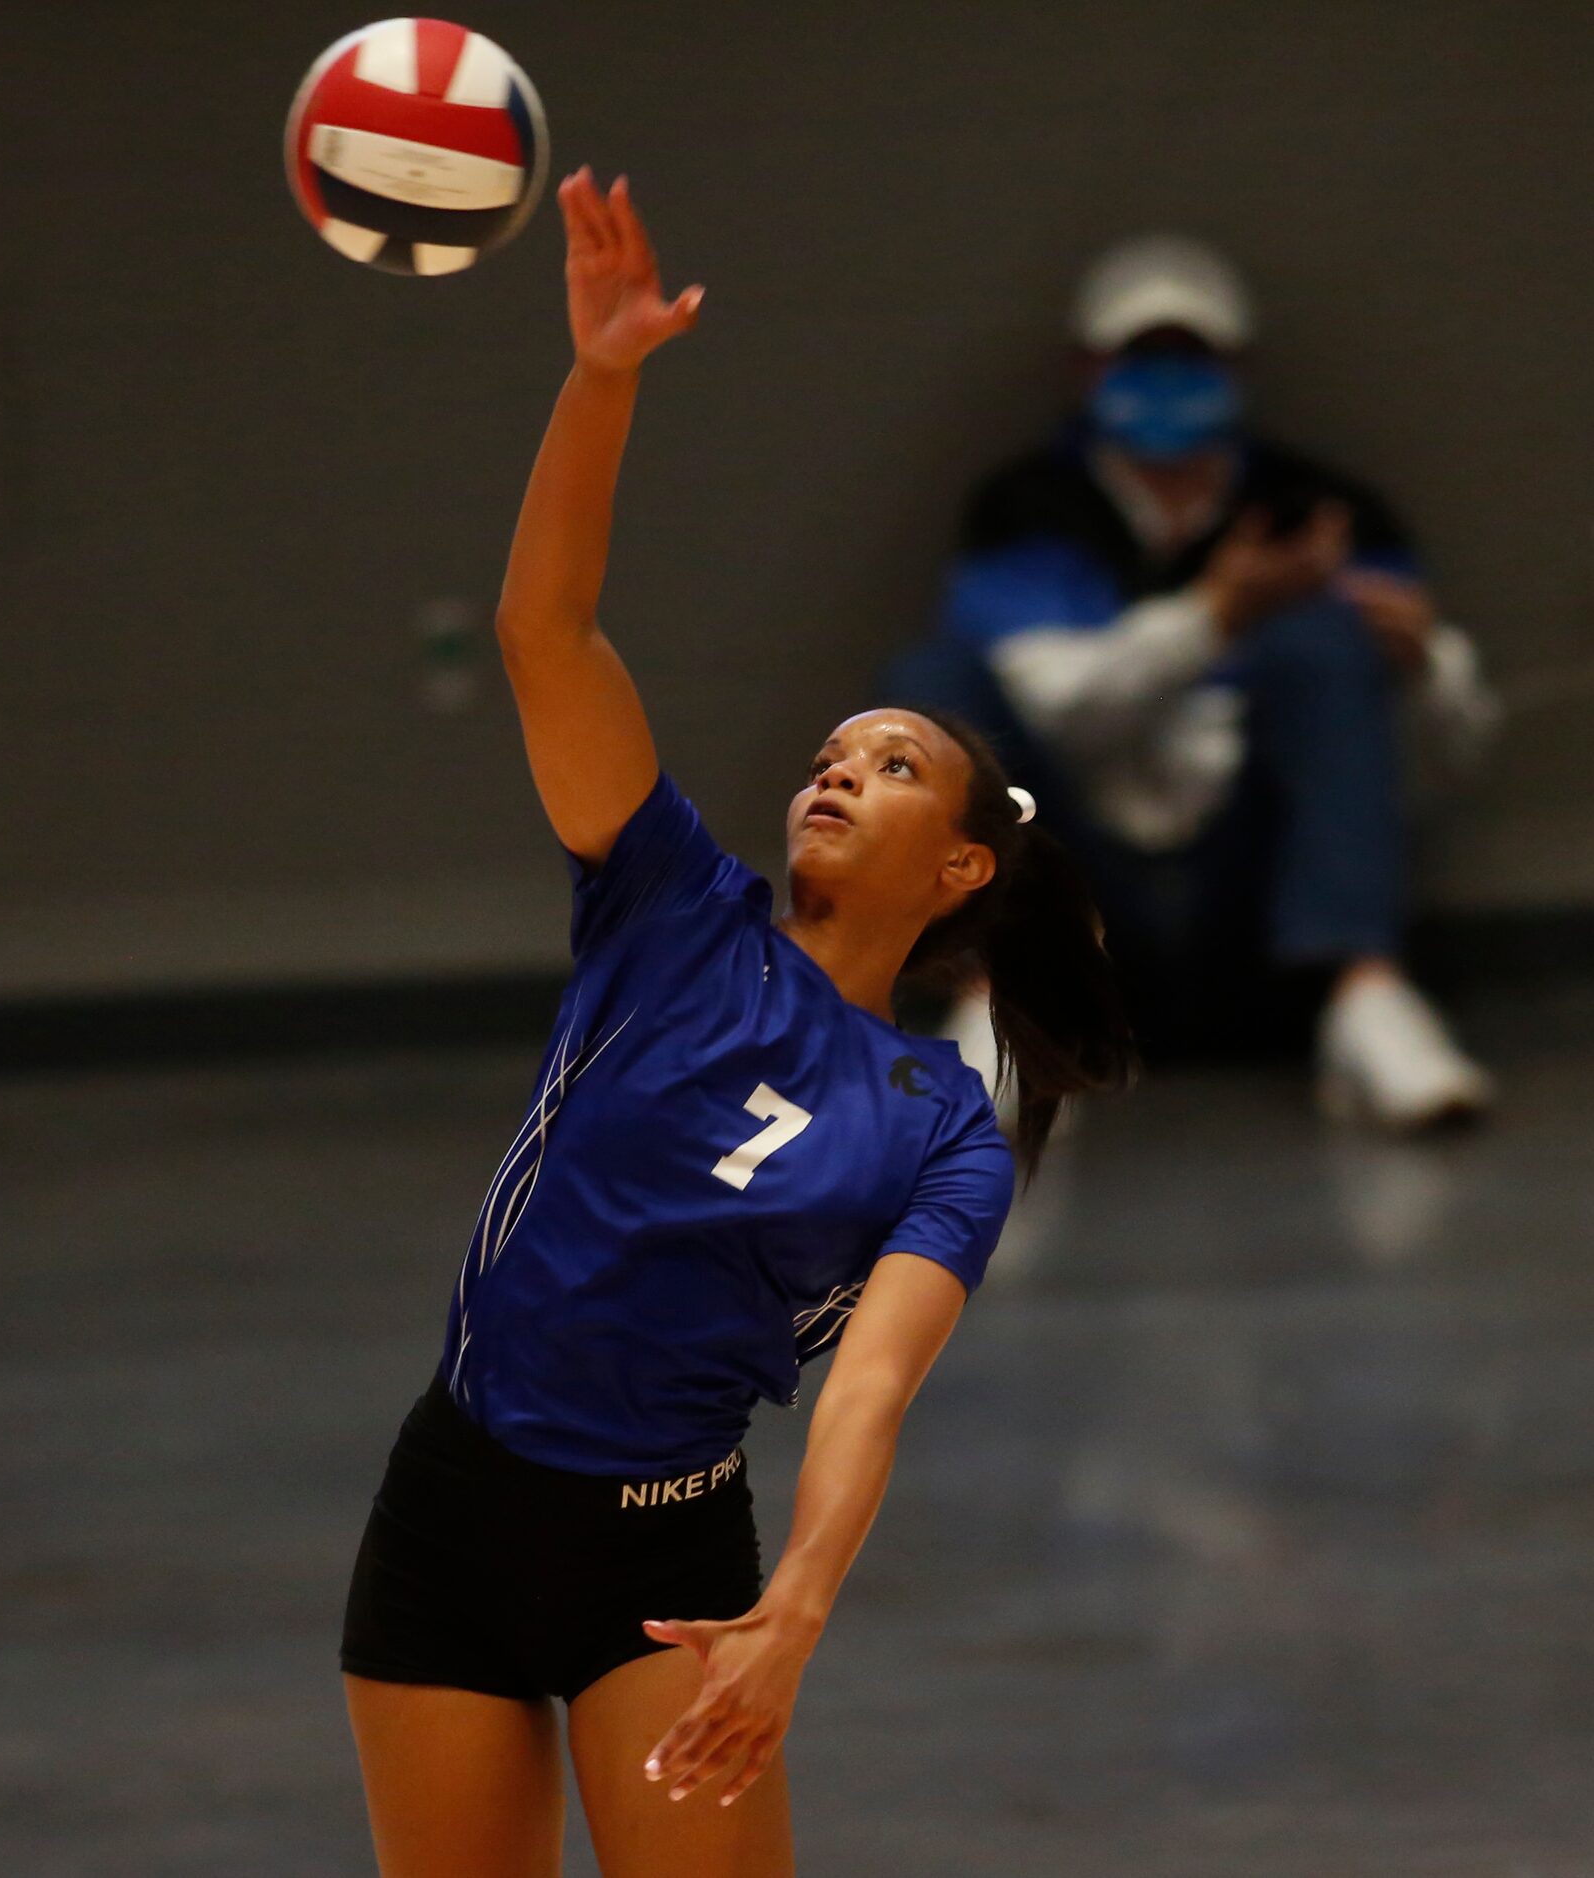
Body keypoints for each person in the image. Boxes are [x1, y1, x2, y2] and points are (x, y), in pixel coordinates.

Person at [338, 167, 1133, 1878]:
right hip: (450, 1501)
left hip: (663, 1560)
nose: (841, 763)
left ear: (962, 864)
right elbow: (541, 630)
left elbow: (866, 1393)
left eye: (894, 757)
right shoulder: (665, 904)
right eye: (832, 748)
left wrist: (793, 1608)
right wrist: (602, 370)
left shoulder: (935, 1125)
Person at [887, 234, 1501, 1131]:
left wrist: (1423, 664)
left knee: (1324, 641)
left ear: (1237, 369)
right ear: (1085, 368)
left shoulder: (1323, 512)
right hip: (1081, 901)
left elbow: (1449, 759)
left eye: (1192, 359)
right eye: (1139, 358)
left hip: (1255, 901)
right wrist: (1218, 616)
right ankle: (995, 1005)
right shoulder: (1023, 513)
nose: (1166, 381)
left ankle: (1366, 1000)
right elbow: (1056, 715)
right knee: (930, 686)